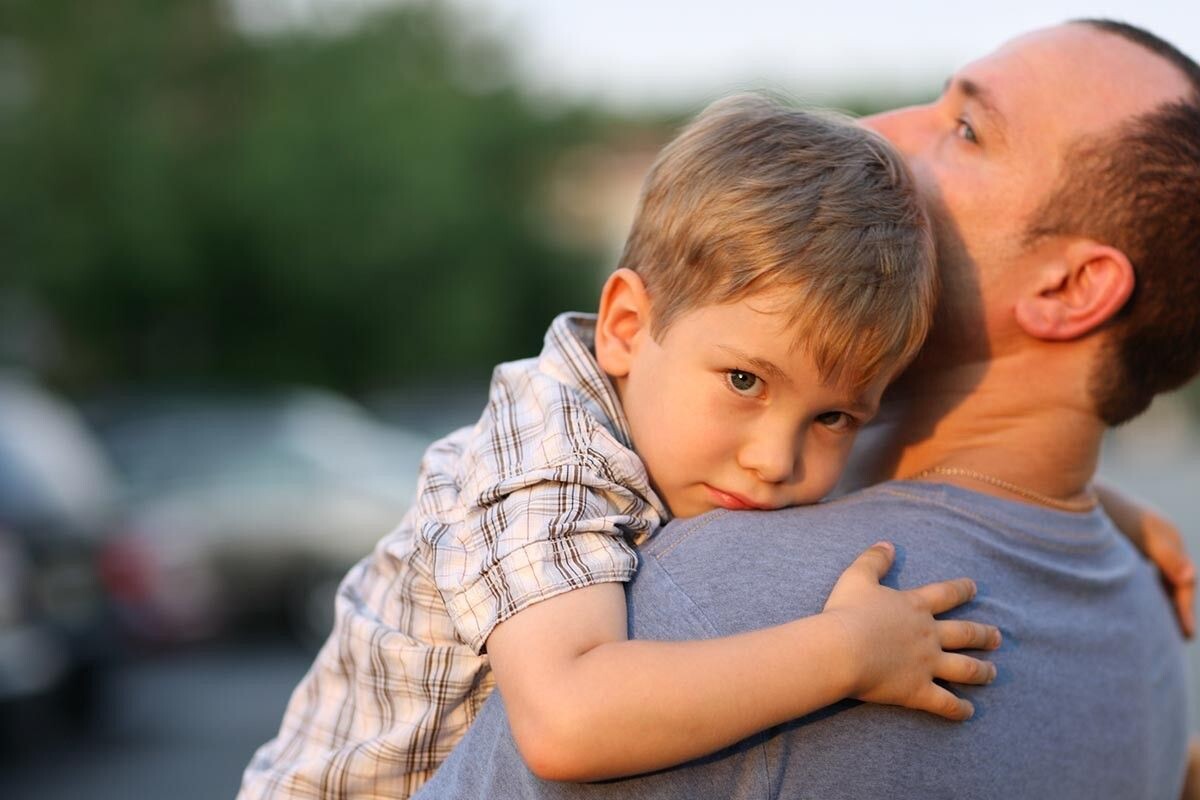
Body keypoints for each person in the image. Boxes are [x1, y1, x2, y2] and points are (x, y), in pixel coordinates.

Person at [414, 19, 1200, 800]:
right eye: (745, 380)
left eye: (965, 129)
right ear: (625, 325)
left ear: (1071, 288)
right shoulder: (1149, 625)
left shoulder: (722, 600)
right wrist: (1099, 510)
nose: (878, 132)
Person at [239, 96, 1006, 800]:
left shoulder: (681, 438)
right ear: (626, 328)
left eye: (834, 418)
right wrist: (846, 652)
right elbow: (565, 720)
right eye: (745, 381)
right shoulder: (550, 450)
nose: (777, 461)